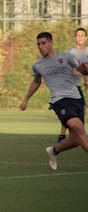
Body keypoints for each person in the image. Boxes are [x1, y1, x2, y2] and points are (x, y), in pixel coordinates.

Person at [19, 32, 88, 171]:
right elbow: (36, 82)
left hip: (76, 98)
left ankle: (54, 151)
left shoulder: (66, 56)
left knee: (76, 140)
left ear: (51, 43)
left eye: (43, 43)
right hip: (59, 100)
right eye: (38, 44)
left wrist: (85, 69)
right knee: (79, 128)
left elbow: (81, 70)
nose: (40, 46)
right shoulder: (38, 65)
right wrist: (25, 99)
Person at [56, 28, 88, 143]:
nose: (80, 37)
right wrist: (83, 74)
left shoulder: (87, 52)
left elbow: (85, 68)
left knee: (81, 109)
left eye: (82, 35)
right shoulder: (70, 53)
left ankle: (73, 134)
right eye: (78, 35)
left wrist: (85, 79)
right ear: (74, 38)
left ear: (86, 38)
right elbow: (69, 71)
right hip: (68, 85)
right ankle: (63, 135)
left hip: (77, 85)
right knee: (71, 111)